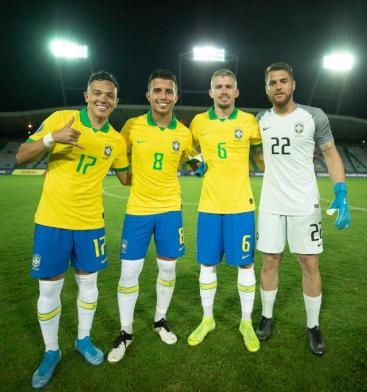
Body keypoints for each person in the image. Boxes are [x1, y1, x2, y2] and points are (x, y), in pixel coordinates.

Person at [15, 71, 130, 388]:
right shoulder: (62, 118)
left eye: (109, 95)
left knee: (89, 285)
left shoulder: (116, 140)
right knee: (49, 289)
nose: (103, 99)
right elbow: (23, 155)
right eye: (97, 93)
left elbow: (126, 178)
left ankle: (83, 339)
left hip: (91, 223)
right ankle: (52, 351)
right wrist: (53, 138)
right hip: (53, 220)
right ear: (86, 95)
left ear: (116, 101)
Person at [255, 62, 350, 356]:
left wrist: (341, 191)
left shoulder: (313, 116)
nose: (279, 86)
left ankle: (313, 325)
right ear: (267, 88)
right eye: (273, 82)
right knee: (270, 260)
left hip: (304, 203)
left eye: (284, 81)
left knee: (309, 263)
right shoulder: (259, 119)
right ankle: (267, 316)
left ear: (293, 84)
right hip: (271, 203)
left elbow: (330, 153)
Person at [107, 69, 201, 363]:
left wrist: (199, 163)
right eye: (157, 91)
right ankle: (125, 332)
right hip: (137, 211)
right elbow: (120, 167)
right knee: (129, 274)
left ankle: (160, 320)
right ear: (148, 95)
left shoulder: (184, 133)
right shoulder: (132, 127)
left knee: (168, 270)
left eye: (168, 91)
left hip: (170, 211)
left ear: (176, 96)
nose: (163, 96)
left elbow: (195, 160)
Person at [187, 68, 262, 353]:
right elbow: (187, 148)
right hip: (209, 206)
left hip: (241, 206)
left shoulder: (249, 122)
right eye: (218, 86)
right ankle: (207, 319)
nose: (224, 91)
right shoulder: (198, 122)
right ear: (211, 92)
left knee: (245, 263)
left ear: (237, 91)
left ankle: (246, 322)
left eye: (229, 86)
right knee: (207, 264)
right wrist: (196, 164)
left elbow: (263, 148)